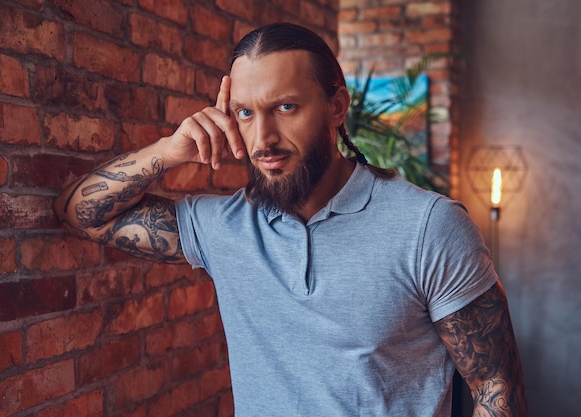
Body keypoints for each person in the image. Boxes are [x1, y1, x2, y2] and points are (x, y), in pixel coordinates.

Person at [54, 22, 527, 417]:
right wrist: (167, 151)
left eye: (285, 107)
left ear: (336, 108)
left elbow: (494, 386)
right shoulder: (222, 228)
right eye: (245, 113)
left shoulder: (429, 227)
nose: (264, 139)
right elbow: (80, 213)